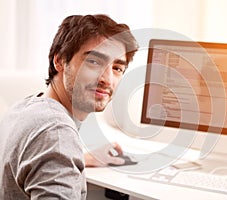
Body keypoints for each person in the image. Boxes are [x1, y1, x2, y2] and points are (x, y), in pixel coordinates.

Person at [0, 14, 138, 199]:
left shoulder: (26, 108)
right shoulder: (56, 134)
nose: (107, 79)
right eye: (94, 62)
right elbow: (54, 141)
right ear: (60, 61)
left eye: (117, 68)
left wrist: (80, 157)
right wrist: (62, 150)